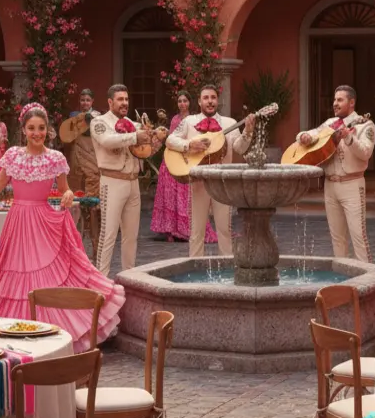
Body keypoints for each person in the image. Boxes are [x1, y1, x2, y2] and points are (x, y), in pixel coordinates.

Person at [0, 102, 124, 350]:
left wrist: (67, 196)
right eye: (31, 128)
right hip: (18, 223)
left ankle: (52, 336)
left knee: (47, 274)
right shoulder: (12, 155)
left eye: (41, 128)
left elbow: (65, 189)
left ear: (48, 130)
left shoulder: (55, 158)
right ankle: (16, 333)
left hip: (44, 222)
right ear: (23, 130)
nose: (37, 133)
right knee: (17, 276)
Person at [166, 84, 255, 257]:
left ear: (217, 101)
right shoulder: (189, 122)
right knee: (196, 231)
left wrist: (248, 132)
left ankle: (228, 271)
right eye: (206, 98)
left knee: (224, 230)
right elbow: (170, 140)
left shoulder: (229, 123)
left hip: (222, 184)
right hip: (198, 183)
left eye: (213, 98)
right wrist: (188, 145)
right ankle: (195, 268)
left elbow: (240, 148)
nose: (210, 101)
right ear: (199, 101)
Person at [90, 84, 165, 275]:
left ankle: (129, 279)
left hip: (133, 182)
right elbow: (107, 141)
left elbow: (144, 152)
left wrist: (157, 139)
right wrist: (135, 137)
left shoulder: (134, 124)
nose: (124, 103)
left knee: (131, 236)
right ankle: (101, 280)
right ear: (110, 102)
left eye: (126, 99)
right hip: (112, 181)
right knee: (108, 235)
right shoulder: (99, 122)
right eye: (120, 99)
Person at [295, 85, 375, 262]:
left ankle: (368, 280)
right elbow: (309, 133)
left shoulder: (365, 125)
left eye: (340, 100)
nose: (335, 104)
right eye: (334, 100)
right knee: (337, 238)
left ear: (352, 102)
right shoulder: (329, 124)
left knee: (358, 237)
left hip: (352, 184)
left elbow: (365, 153)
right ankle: (343, 278)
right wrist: (303, 136)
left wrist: (349, 138)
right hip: (330, 185)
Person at [150, 91, 217, 245]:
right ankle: (171, 229)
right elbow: (172, 140)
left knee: (186, 196)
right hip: (172, 159)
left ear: (190, 102)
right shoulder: (175, 119)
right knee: (170, 195)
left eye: (185, 101)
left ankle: (187, 229)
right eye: (179, 101)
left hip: (188, 159)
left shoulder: (194, 120)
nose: (182, 104)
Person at [66, 89, 101, 259]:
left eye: (87, 100)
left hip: (92, 161)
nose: (85, 103)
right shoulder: (74, 116)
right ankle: (75, 249)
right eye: (82, 100)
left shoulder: (97, 117)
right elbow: (67, 134)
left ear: (92, 101)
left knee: (93, 207)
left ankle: (95, 250)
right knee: (75, 204)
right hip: (76, 162)